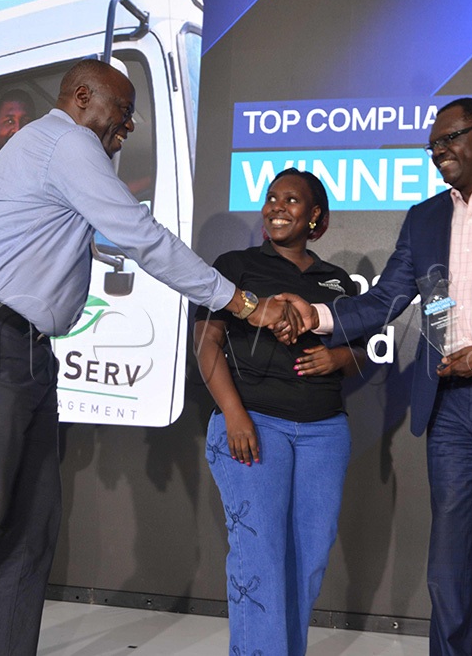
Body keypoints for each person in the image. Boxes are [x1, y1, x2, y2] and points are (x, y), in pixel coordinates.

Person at [0, 58, 293, 656]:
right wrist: (247, 304)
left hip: (24, 350)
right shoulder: (65, 142)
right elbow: (143, 237)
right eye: (121, 112)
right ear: (80, 96)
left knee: (30, 529)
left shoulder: (53, 155)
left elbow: (94, 243)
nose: (126, 126)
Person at [276, 98, 472, 656]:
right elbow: (384, 300)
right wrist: (318, 315)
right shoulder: (424, 218)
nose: (439, 151)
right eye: (433, 145)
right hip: (448, 408)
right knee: (446, 565)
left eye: (450, 139)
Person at [194, 168, 366, 655]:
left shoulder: (337, 280)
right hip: (254, 425)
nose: (277, 207)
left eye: (291, 200)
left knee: (307, 562)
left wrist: (336, 357)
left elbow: (358, 353)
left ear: (315, 217)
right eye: (271, 198)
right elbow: (205, 345)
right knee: (260, 561)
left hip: (324, 434)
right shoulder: (236, 266)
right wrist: (234, 415)